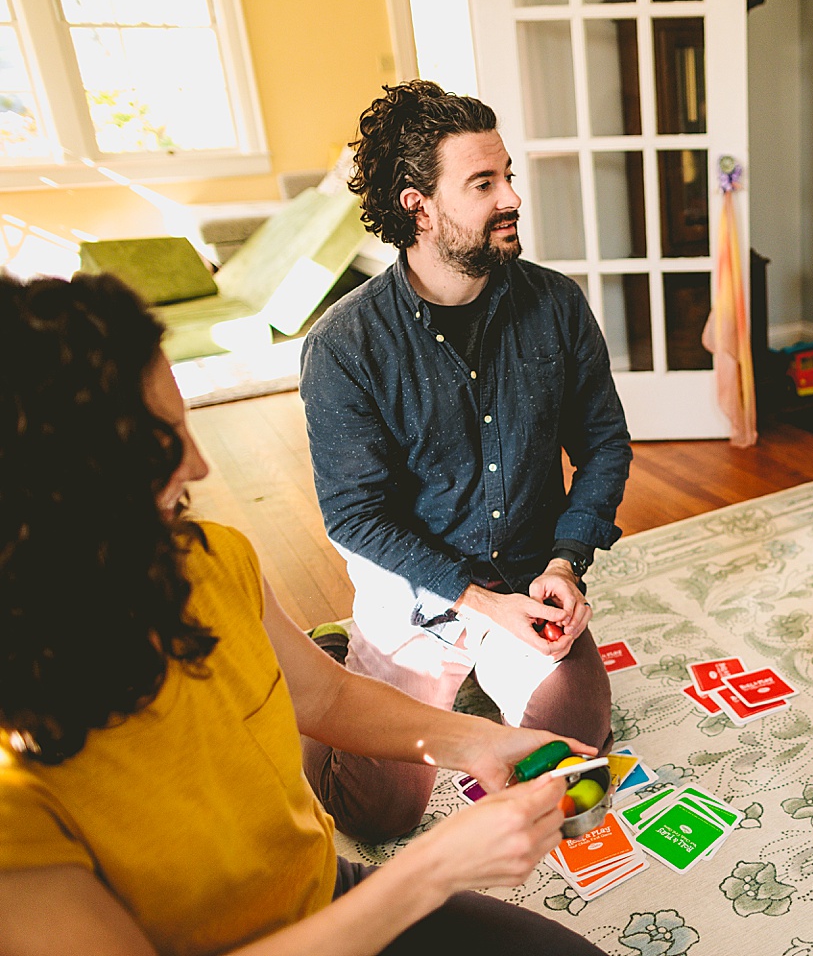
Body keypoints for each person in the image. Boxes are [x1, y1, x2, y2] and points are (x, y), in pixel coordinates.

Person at [0, 272, 605, 956]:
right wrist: (433, 870)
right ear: (48, 486)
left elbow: (325, 693)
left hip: (323, 895)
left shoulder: (208, 559)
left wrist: (477, 741)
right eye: (160, 444)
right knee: (380, 807)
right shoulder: (12, 795)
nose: (198, 466)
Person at [299, 81, 632, 840]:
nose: (512, 196)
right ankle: (331, 663)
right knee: (377, 818)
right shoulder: (343, 347)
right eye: (484, 184)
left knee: (574, 788)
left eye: (508, 174)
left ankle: (493, 675)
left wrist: (563, 565)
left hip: (526, 579)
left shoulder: (556, 305)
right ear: (419, 205)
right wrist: (479, 606)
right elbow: (354, 513)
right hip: (417, 600)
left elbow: (605, 444)